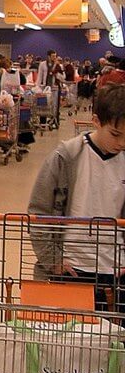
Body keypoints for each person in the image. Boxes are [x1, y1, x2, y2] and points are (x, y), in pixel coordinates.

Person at [28, 85, 125, 304]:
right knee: (71, 335)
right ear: (96, 121)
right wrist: (53, 261)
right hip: (72, 270)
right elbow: (39, 211)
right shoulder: (66, 157)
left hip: (116, 269)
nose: (121, 143)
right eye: (115, 134)